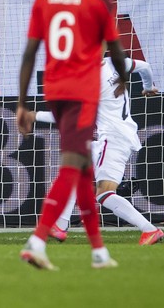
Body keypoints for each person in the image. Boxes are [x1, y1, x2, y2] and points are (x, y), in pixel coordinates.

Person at [16, 0, 126, 271]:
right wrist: (122, 75)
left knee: (83, 170)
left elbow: (30, 52)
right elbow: (116, 50)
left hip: (55, 90)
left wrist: (22, 103)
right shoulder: (99, 0)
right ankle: (37, 240)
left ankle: (99, 252)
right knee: (71, 165)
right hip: (82, 93)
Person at [30, 56, 163, 246]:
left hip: (113, 139)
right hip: (119, 135)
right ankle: (60, 225)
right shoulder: (114, 62)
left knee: (105, 194)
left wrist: (34, 115)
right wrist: (148, 87)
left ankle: (150, 230)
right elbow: (145, 66)